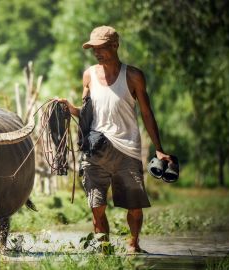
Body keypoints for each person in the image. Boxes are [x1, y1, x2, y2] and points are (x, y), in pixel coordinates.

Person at [57, 25, 171, 253]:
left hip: (126, 150)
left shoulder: (134, 76)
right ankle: (104, 250)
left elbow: (147, 114)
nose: (97, 53)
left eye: (101, 48)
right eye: (93, 49)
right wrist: (70, 108)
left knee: (135, 207)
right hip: (95, 149)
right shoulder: (89, 75)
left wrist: (159, 149)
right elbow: (88, 112)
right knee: (96, 206)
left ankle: (133, 244)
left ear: (115, 46)